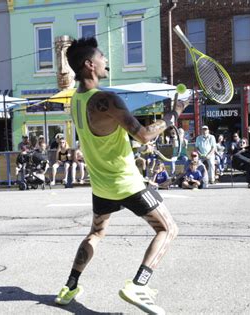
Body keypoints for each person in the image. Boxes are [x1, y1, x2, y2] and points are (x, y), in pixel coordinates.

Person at [55, 37, 187, 314]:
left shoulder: (76, 100)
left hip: (101, 184)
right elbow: (145, 132)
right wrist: (173, 114)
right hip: (127, 182)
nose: (106, 61)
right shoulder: (106, 99)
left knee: (96, 233)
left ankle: (69, 285)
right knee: (168, 229)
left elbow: (105, 135)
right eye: (102, 56)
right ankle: (139, 285)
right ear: (90, 64)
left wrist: (133, 143)